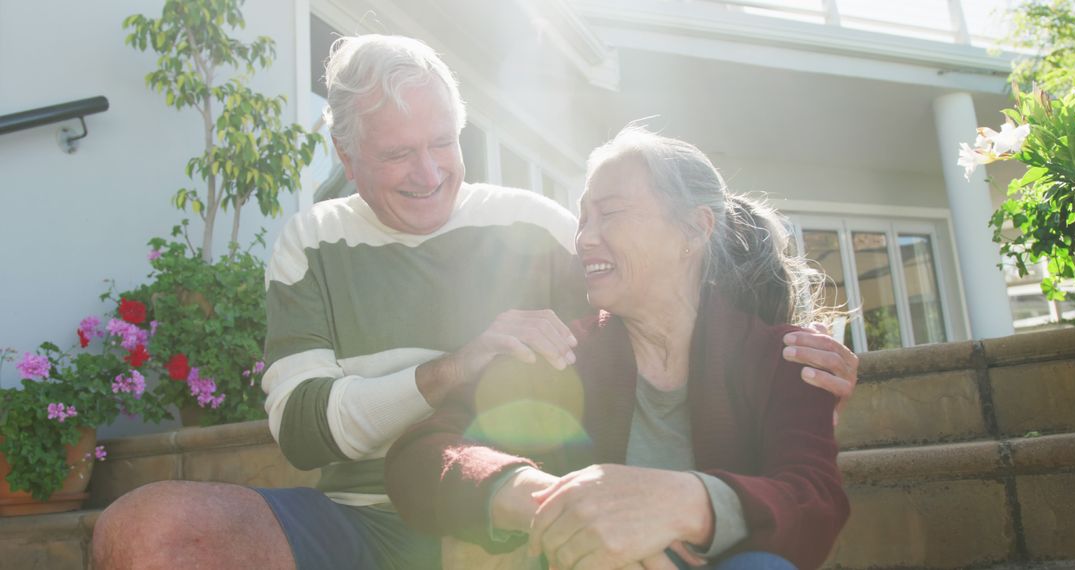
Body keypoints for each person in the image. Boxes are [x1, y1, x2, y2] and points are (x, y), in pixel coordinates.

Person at [92, 35, 857, 570]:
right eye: (397, 154)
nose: (429, 172)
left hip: (528, 544)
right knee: (149, 532)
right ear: (348, 158)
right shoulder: (311, 244)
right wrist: (466, 381)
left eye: (445, 142)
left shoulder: (541, 230)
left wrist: (813, 371)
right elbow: (304, 431)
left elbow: (662, 297)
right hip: (382, 520)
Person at [385, 126, 850, 570]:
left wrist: (687, 502)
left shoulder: (786, 360)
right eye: (583, 217)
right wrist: (558, 503)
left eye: (609, 212)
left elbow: (814, 501)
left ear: (693, 230)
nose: (584, 237)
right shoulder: (560, 354)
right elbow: (419, 456)